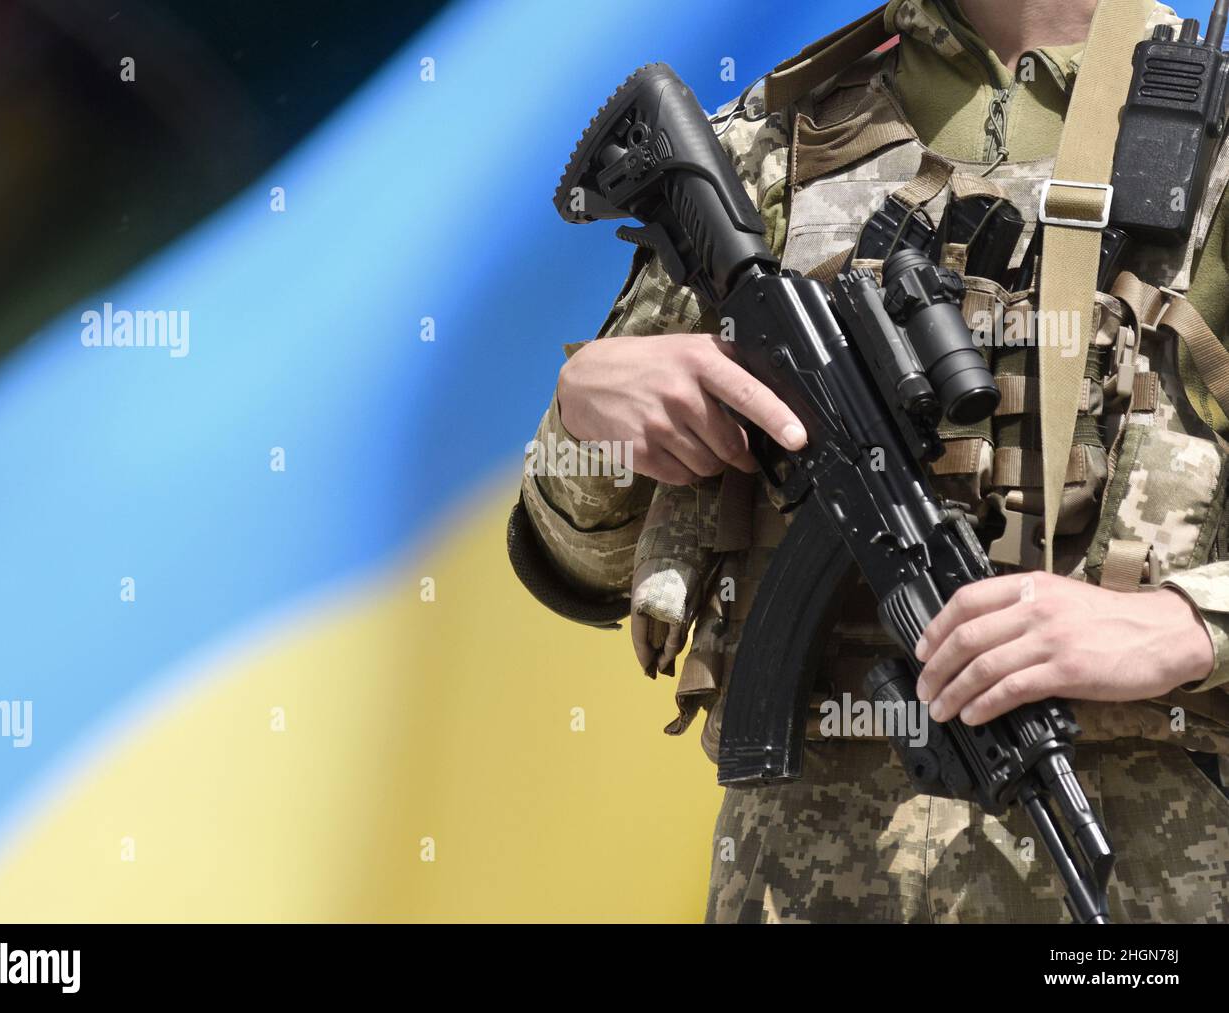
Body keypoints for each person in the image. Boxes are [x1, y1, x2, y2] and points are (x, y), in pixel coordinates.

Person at [508, 0, 1229, 922]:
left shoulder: (1208, 142)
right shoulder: (776, 141)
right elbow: (583, 563)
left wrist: (1184, 623)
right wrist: (588, 418)